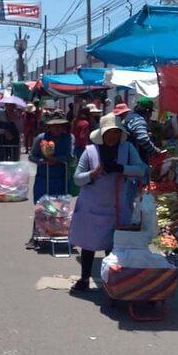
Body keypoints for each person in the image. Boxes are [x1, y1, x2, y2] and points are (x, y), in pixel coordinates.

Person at [68, 115, 149, 292]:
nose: (112, 136)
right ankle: (84, 279)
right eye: (109, 133)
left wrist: (122, 168)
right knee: (88, 245)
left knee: (114, 247)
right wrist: (93, 174)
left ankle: (112, 283)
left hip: (118, 207)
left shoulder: (127, 149)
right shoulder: (90, 151)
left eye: (116, 133)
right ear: (102, 135)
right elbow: (77, 179)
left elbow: (141, 169)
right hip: (92, 206)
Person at [26, 111, 73, 249]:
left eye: (60, 126)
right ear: (49, 127)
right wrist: (43, 160)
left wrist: (57, 159)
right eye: (54, 126)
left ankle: (58, 234)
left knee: (59, 207)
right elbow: (31, 156)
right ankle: (36, 236)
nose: (57, 129)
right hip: (43, 178)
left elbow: (70, 156)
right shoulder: (41, 138)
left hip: (60, 178)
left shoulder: (68, 138)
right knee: (41, 208)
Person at [114, 97, 163, 165]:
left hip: (126, 156)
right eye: (151, 112)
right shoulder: (138, 120)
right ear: (147, 111)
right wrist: (155, 150)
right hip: (135, 160)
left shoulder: (130, 117)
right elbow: (143, 139)